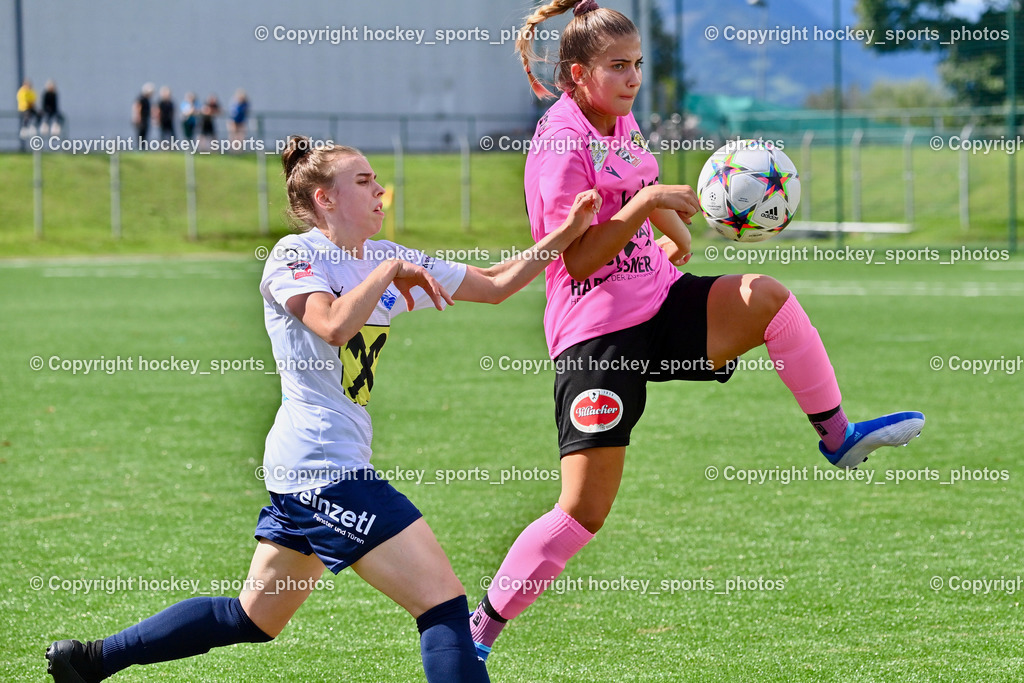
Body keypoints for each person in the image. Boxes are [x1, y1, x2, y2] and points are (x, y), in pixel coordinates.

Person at [44, 135, 601, 683]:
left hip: (311, 470)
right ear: (324, 200)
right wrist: (386, 276)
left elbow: (499, 284)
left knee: (252, 617)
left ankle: (89, 660)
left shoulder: (386, 255)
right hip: (324, 468)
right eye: (363, 181)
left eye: (377, 180)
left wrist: (568, 231)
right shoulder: (296, 255)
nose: (380, 190)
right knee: (445, 608)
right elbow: (332, 327)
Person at [468, 0, 926, 661]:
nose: (633, 80)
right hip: (598, 334)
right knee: (582, 511)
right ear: (576, 75)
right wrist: (649, 206)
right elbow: (578, 257)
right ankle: (478, 631)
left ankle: (839, 437)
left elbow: (642, 182)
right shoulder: (559, 145)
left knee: (767, 298)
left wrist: (674, 231)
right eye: (617, 67)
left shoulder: (620, 120)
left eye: (638, 65)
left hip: (660, 301)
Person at [132, 83, 153, 147]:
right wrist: (137, 117)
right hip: (142, 119)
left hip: (145, 118)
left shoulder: (147, 99)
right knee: (141, 134)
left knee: (144, 134)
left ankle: (143, 147)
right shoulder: (141, 98)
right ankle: (140, 147)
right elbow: (137, 107)